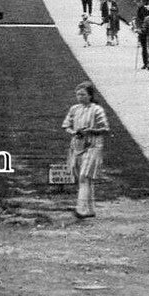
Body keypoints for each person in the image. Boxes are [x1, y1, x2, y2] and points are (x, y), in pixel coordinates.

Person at [61, 82, 109, 219]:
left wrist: (92, 130)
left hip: (93, 146)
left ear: (90, 95)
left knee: (84, 176)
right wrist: (74, 132)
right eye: (77, 94)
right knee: (83, 179)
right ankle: (90, 209)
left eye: (83, 94)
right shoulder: (74, 109)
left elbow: (105, 128)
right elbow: (66, 125)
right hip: (77, 146)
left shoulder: (97, 109)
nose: (79, 97)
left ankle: (81, 209)